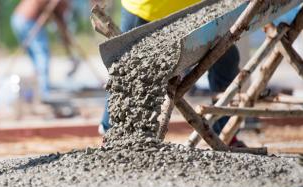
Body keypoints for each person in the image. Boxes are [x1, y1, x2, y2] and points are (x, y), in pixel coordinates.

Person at [98, 0, 244, 147]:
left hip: (200, 11)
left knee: (226, 60)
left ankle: (227, 134)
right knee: (128, 73)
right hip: (147, 9)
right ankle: (112, 134)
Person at [11, 0, 69, 102]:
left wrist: (66, 42)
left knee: (37, 59)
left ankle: (38, 89)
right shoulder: (59, 3)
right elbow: (60, 18)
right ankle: (43, 92)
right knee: (42, 55)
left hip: (18, 18)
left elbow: (60, 22)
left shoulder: (57, 4)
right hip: (27, 19)